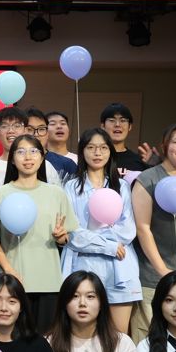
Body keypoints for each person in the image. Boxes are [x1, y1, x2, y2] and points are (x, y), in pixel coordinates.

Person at [0, 135, 78, 334]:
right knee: (12, 340)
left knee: (44, 341)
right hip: (12, 282)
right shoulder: (0, 194)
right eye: (21, 152)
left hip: (49, 282)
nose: (27, 157)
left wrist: (61, 238)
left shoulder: (56, 193)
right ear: (12, 159)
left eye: (33, 151)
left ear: (42, 156)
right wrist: (8, 270)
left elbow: (67, 236)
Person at [129, 122, 176, 344]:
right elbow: (142, 228)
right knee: (149, 341)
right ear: (165, 146)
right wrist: (162, 270)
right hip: (153, 277)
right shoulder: (148, 179)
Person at [60, 128, 140, 335]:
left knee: (119, 336)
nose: (97, 153)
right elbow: (73, 233)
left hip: (118, 267)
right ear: (82, 151)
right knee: (82, 335)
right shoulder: (70, 187)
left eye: (103, 148)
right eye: (91, 147)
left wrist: (94, 239)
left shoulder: (122, 186)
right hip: (83, 264)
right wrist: (109, 246)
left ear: (110, 152)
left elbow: (127, 230)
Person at [99, 103, 154, 174]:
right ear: (103, 126)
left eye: (123, 120)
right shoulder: (95, 158)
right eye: (112, 120)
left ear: (130, 126)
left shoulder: (140, 162)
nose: (117, 124)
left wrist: (155, 166)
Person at [42, 111, 77, 181]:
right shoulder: (38, 160)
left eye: (63, 123)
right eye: (52, 124)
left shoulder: (79, 160)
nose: (59, 126)